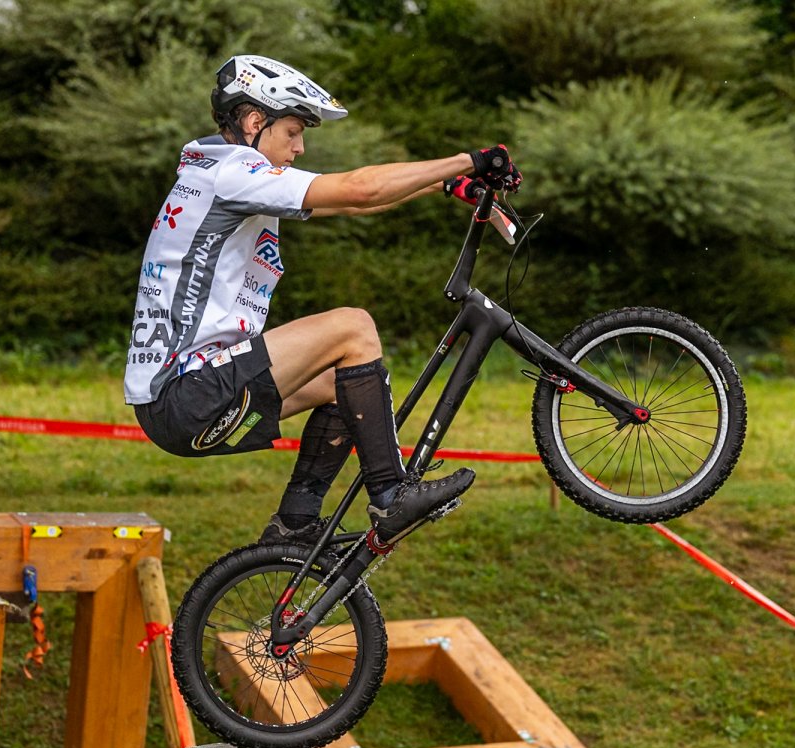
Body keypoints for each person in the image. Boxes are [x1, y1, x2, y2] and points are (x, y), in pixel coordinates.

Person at [125, 55, 521, 547]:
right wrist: (472, 160)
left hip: (181, 405)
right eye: (292, 131)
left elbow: (354, 199)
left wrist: (440, 183)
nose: (299, 146)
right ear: (254, 122)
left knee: (340, 385)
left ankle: (294, 522)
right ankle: (391, 495)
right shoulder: (232, 171)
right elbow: (359, 189)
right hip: (188, 396)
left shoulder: (216, 172)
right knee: (352, 329)